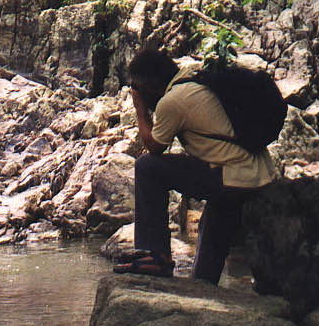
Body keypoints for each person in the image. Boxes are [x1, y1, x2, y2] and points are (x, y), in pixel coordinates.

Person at [114, 49, 275, 284]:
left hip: (231, 178)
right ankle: (211, 285)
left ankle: (157, 257)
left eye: (138, 87)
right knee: (203, 275)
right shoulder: (195, 76)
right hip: (253, 176)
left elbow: (153, 147)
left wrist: (139, 107)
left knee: (147, 167)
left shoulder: (173, 101)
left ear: (149, 86)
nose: (137, 91)